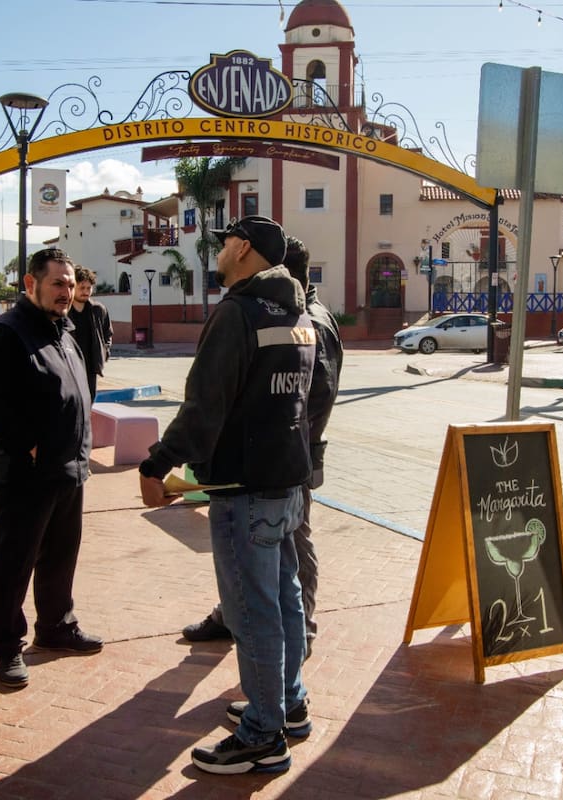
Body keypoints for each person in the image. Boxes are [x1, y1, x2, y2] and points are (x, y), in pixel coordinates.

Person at [139, 216, 316, 775]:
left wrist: (158, 462)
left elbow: (204, 404)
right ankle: (287, 702)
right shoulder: (299, 313)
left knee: (252, 609)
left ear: (242, 249)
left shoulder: (237, 312)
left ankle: (263, 733)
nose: (218, 254)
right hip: (288, 481)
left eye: (224, 245)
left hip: (244, 487)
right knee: (284, 598)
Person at [181, 237, 343, 659]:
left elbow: (318, 392)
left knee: (292, 549)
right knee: (260, 554)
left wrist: (284, 435)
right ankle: (232, 616)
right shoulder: (286, 311)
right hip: (278, 458)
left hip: (288, 460)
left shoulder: (309, 320)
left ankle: (299, 636)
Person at [0, 247, 102, 690]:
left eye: (69, 283)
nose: (65, 292)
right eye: (57, 284)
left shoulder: (63, 330)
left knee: (61, 554)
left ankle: (56, 627)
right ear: (31, 284)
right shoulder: (7, 333)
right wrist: (26, 446)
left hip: (69, 468)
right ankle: (6, 648)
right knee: (14, 561)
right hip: (25, 475)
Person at [68, 266, 113, 401]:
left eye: (89, 288)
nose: (86, 292)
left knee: (89, 403)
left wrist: (105, 351)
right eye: (82, 288)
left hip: (90, 367)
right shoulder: (63, 311)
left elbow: (108, 333)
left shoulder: (98, 310)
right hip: (69, 366)